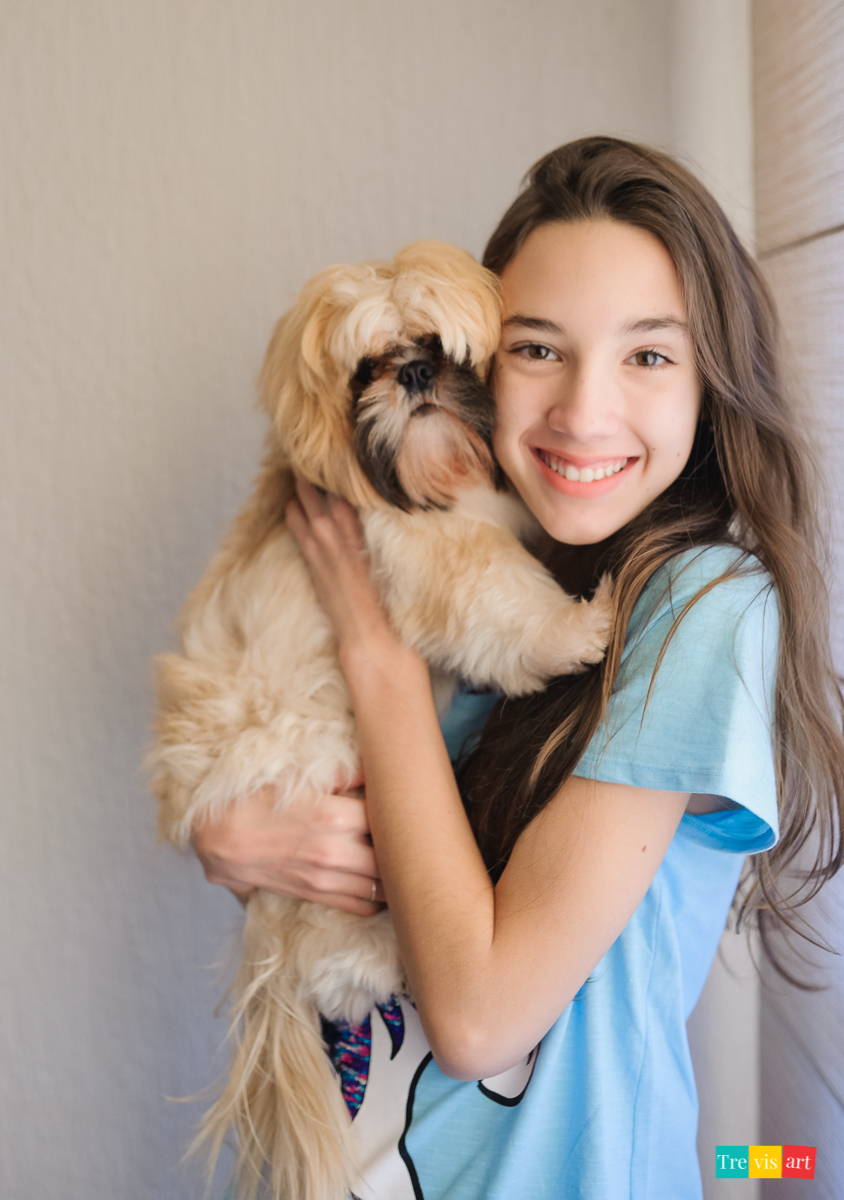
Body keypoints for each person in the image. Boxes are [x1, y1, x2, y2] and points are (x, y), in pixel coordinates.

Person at [192, 138, 844, 1199]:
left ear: (712, 382)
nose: (582, 412)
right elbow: (388, 863)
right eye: (538, 348)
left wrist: (376, 652)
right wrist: (239, 838)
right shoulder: (487, 563)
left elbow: (477, 1015)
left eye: (647, 355)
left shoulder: (703, 605)